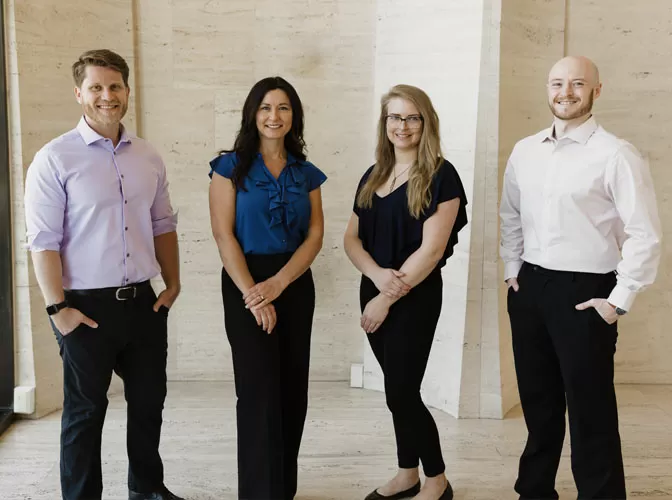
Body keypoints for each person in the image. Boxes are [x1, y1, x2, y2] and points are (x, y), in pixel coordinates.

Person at [500, 56, 662, 500]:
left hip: (586, 294)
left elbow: (644, 234)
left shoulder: (616, 154)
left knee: (590, 411)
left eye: (577, 83)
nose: (565, 92)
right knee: (539, 403)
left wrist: (617, 300)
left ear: (596, 90)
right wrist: (513, 269)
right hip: (530, 288)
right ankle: (534, 491)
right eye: (556, 83)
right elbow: (511, 214)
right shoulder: (525, 150)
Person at [24, 49, 184, 500]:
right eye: (95, 87)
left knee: (149, 403)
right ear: (79, 94)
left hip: (143, 301)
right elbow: (43, 241)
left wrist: (172, 284)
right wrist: (58, 308)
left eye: (115, 86)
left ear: (127, 91)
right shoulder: (54, 158)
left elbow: (163, 225)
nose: (106, 96)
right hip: (83, 306)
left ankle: (147, 489)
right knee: (85, 411)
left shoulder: (147, 156)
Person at [344, 84, 467, 500]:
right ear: (385, 123)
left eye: (412, 117)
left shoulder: (440, 175)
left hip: (413, 299)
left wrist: (387, 295)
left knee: (401, 390)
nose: (402, 126)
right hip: (373, 291)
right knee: (398, 390)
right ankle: (407, 473)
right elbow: (351, 240)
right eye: (394, 117)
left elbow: (431, 250)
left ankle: (437, 479)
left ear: (425, 122)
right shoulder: (373, 174)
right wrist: (376, 278)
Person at [208, 76, 326, 500]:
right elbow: (224, 236)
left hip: (293, 281)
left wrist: (280, 282)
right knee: (258, 392)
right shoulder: (229, 168)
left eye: (283, 108)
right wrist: (254, 294)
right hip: (245, 280)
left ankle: (283, 489)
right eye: (265, 108)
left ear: (294, 116)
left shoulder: (306, 172)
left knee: (293, 390)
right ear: (252, 114)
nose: (274, 117)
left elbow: (314, 235)